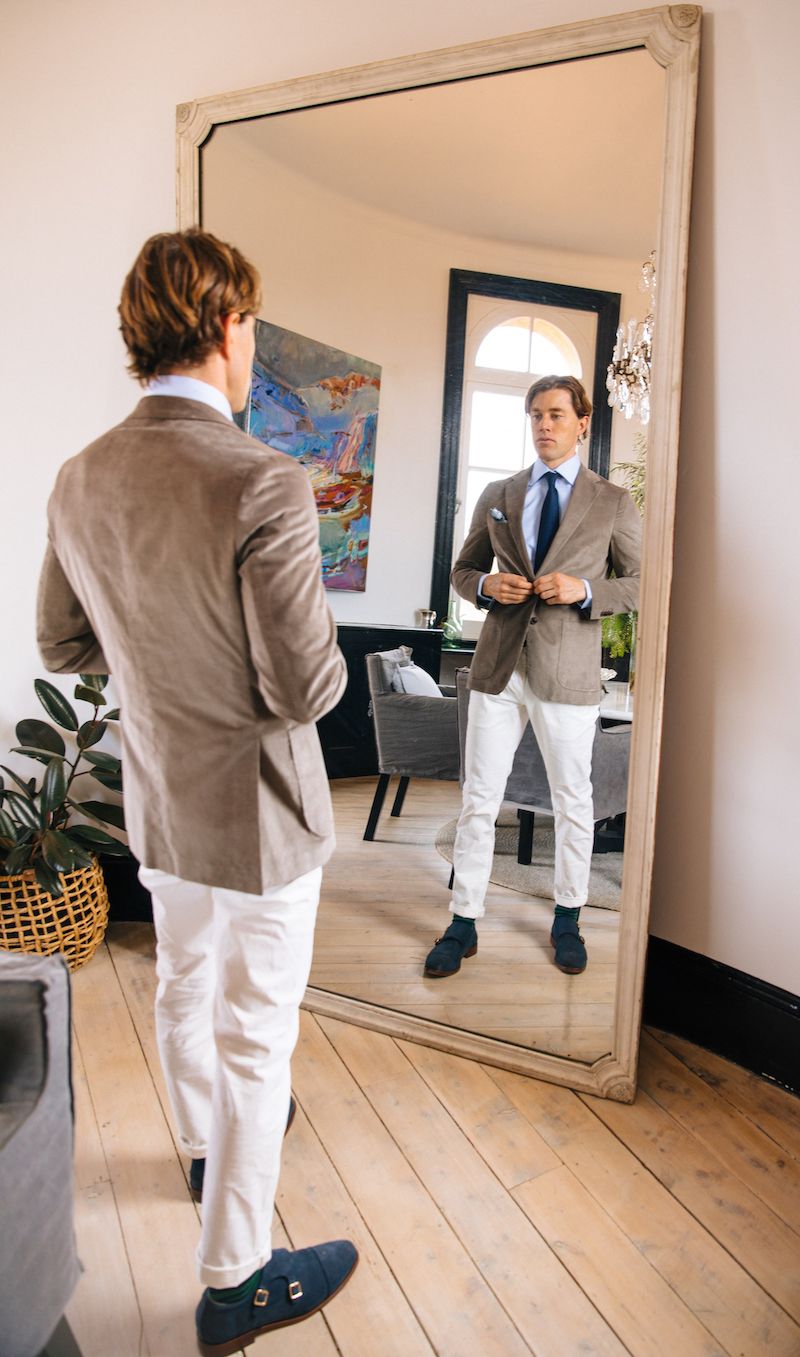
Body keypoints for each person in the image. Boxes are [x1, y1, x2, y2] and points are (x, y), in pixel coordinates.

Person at [36, 228, 358, 1355]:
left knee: (183, 982)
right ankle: (235, 1279)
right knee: (257, 1037)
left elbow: (63, 644)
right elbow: (305, 687)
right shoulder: (263, 477)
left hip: (160, 800)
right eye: (251, 322)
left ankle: (201, 1146)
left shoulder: (80, 476)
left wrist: (156, 664)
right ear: (227, 326)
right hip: (262, 812)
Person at [424, 374, 641, 980]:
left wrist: (586, 589)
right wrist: (486, 585)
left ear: (582, 423)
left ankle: (567, 916)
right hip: (498, 667)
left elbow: (644, 582)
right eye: (536, 415)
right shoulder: (500, 492)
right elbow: (463, 570)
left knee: (573, 801)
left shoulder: (612, 501)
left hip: (567, 672)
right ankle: (463, 920)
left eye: (556, 415)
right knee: (479, 797)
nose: (544, 425)